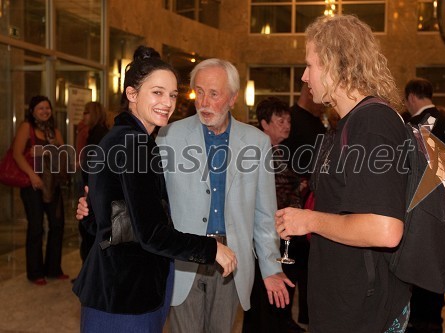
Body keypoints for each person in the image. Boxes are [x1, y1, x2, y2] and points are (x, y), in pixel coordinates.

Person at [72, 46, 237, 333]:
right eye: (157, 92)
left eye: (172, 95)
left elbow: (104, 223)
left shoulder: (124, 138)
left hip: (118, 290)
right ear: (132, 94)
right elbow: (150, 233)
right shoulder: (134, 144)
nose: (168, 103)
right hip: (125, 298)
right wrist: (211, 249)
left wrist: (89, 210)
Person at [274, 15, 411, 332]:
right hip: (346, 304)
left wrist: (308, 220)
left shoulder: (373, 123)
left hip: (365, 311)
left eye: (311, 65)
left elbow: (385, 229)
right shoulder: (350, 123)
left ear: (337, 64)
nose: (305, 77)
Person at [156, 58, 293, 332]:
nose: (204, 102)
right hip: (185, 259)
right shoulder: (168, 136)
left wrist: (270, 267)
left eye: (214, 94)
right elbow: (151, 198)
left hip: (233, 262)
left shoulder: (257, 143)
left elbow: (264, 215)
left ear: (233, 98)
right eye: (200, 92)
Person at [242, 97, 304, 333]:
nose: (286, 125)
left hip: (283, 231)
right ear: (264, 124)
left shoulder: (281, 151)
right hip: (262, 233)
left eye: (288, 120)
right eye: (280, 120)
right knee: (261, 292)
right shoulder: (255, 152)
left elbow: (289, 187)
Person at [404, 77, 445, 333]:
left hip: (413, 213)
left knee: (413, 276)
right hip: (444, 213)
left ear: (412, 96)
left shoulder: (409, 125)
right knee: (435, 274)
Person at [282, 82, 327, 326]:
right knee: (290, 270)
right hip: (294, 206)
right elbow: (282, 162)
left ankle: (305, 320)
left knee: (309, 271)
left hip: (313, 207)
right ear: (308, 92)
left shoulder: (318, 122)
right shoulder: (292, 120)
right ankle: (286, 320)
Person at [12, 95, 68, 286]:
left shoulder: (54, 131)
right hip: (32, 185)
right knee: (36, 228)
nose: (45, 111)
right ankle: (35, 272)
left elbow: (62, 154)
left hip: (53, 185)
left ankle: (53, 268)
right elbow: (16, 154)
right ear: (33, 111)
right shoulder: (26, 128)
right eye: (40, 108)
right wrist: (32, 175)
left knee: (57, 226)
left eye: (47, 108)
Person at [77, 101, 109, 263]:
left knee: (90, 233)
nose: (84, 116)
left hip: (93, 189)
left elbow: (96, 167)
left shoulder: (99, 135)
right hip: (93, 187)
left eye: (86, 113)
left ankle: (89, 274)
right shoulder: (95, 133)